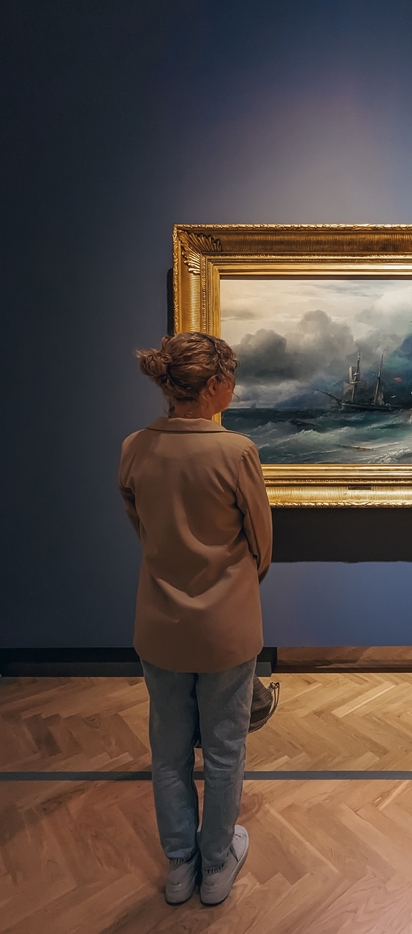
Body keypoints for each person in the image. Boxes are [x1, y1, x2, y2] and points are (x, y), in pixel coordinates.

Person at [118, 331, 273, 906]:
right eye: (230, 379)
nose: (234, 388)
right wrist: (229, 584)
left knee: (169, 749)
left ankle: (180, 866)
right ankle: (216, 865)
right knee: (226, 749)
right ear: (212, 385)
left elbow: (141, 528)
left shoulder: (135, 447)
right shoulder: (237, 452)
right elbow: (262, 543)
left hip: (159, 625)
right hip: (226, 628)